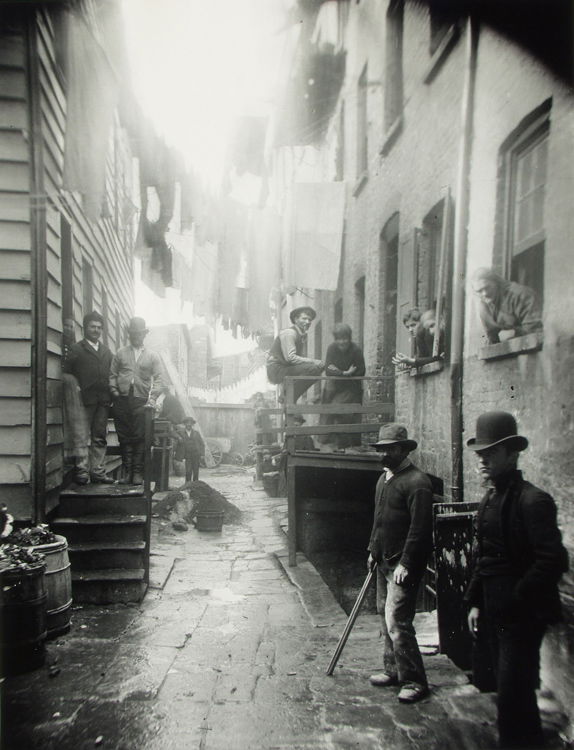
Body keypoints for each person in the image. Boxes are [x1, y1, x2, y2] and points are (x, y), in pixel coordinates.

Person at [465, 411, 568, 749]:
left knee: (512, 695)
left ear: (512, 454)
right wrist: (477, 602)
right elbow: (485, 557)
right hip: (496, 611)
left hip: (523, 615)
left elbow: (553, 560)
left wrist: (516, 599)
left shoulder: (533, 500)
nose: (483, 461)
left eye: (491, 454)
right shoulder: (490, 499)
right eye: (480, 455)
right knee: (510, 696)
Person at [367, 423, 433, 704]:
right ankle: (392, 670)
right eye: (382, 449)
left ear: (403, 450)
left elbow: (420, 529)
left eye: (390, 449)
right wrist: (373, 549)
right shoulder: (384, 480)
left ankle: (414, 681)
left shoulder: (418, 483)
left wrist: (407, 562)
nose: (384, 454)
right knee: (384, 615)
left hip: (403, 565)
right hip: (384, 559)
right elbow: (378, 520)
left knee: (398, 621)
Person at [109, 317, 164, 485]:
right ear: (129, 335)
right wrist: (115, 392)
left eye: (139, 333)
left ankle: (137, 474)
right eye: (133, 333)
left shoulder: (152, 356)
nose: (136, 336)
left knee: (139, 436)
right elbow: (112, 375)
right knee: (124, 437)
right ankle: (127, 473)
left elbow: (160, 378)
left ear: (144, 335)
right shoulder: (120, 353)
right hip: (122, 400)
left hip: (141, 401)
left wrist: (153, 397)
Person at [63, 312, 114, 484]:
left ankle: (97, 471)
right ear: (85, 328)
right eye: (93, 327)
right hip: (84, 401)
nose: (96, 330)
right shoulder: (77, 349)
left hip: (103, 401)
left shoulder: (107, 352)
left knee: (99, 436)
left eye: (99, 327)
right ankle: (82, 472)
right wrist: (76, 388)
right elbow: (67, 374)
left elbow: (112, 374)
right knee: (82, 436)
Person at [266, 306, 325, 402]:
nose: (308, 322)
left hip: (284, 367)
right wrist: (314, 361)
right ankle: (287, 397)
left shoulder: (300, 335)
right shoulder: (290, 333)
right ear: (296, 319)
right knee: (314, 368)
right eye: (304, 318)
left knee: (317, 368)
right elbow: (291, 358)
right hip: (276, 369)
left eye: (309, 319)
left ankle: (288, 397)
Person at [321, 323, 366, 449]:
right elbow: (328, 368)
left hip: (351, 388)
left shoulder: (356, 350)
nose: (342, 342)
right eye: (339, 338)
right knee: (328, 412)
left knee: (346, 415)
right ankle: (330, 444)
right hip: (334, 387)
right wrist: (344, 373)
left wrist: (346, 376)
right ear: (335, 339)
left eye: (345, 338)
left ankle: (349, 447)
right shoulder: (331, 349)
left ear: (349, 338)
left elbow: (361, 370)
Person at [471, 267, 542, 344]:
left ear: (496, 283)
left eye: (487, 287)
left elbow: (535, 331)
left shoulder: (521, 295)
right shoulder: (484, 306)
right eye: (479, 291)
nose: (485, 293)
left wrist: (514, 333)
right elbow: (492, 337)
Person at [174, 416, 205, 483]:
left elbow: (202, 444)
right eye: (187, 423)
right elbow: (173, 432)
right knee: (188, 471)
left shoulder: (196, 433)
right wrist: (178, 437)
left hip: (196, 454)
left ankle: (195, 486)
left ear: (192, 425)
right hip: (187, 455)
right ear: (185, 424)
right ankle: (187, 485)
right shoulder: (181, 433)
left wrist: (202, 454)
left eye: (190, 423)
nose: (189, 425)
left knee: (196, 471)